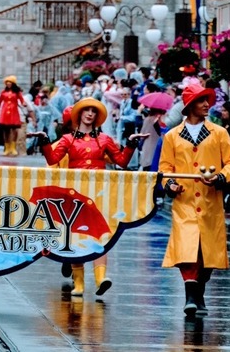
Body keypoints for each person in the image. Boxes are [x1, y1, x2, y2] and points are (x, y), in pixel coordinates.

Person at [34, 98, 148, 297]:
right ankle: (79, 283)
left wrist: (130, 143)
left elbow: (121, 162)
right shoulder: (67, 139)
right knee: (78, 236)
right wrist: (44, 140)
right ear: (78, 115)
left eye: (93, 111)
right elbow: (53, 159)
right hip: (75, 194)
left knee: (101, 235)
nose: (90, 114)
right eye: (86, 110)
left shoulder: (104, 139)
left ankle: (101, 277)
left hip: (98, 194)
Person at [158, 83, 230, 317]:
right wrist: (170, 184)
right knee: (187, 249)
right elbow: (165, 168)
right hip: (184, 201)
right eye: (201, 100)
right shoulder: (172, 137)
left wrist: (221, 178)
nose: (207, 104)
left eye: (207, 100)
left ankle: (199, 293)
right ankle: (191, 298)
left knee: (207, 254)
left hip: (210, 201)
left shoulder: (219, 133)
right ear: (189, 106)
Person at [0, 75, 26, 156]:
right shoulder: (3, 92)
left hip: (13, 112)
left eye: (10, 82)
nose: (8, 84)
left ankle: (13, 147)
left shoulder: (17, 92)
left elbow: (21, 99)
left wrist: (23, 103)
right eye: (7, 83)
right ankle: (7, 147)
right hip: (5, 113)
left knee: (14, 130)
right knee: (5, 131)